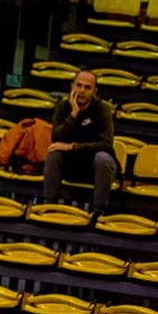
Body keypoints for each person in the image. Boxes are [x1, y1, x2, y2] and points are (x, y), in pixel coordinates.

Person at [42, 69, 116, 215]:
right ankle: (48, 207)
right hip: (70, 165)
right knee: (54, 154)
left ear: (94, 91)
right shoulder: (63, 106)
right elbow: (56, 138)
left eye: (87, 87)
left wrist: (73, 147)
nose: (82, 91)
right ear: (72, 87)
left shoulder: (102, 109)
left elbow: (106, 144)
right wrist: (74, 113)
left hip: (94, 166)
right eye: (79, 85)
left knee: (103, 159)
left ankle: (98, 213)